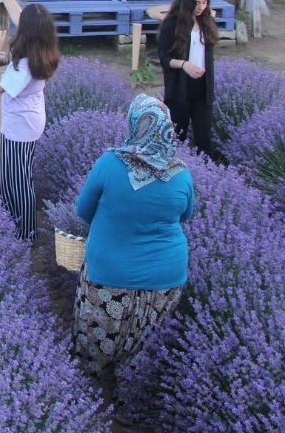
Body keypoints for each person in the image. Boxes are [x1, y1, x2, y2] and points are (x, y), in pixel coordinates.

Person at [71, 93, 195, 386]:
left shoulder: (110, 163)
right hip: (165, 279)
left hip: (110, 273)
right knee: (147, 346)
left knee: (96, 338)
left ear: (135, 124)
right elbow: (185, 216)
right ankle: (133, 390)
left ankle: (91, 387)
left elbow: (82, 211)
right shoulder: (181, 174)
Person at [0, 0, 59, 240]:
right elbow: (19, 14)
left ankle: (26, 235)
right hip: (29, 121)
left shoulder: (26, 64)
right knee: (9, 178)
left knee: (17, 183)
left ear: (27, 32)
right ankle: (13, 227)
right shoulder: (43, 47)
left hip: (20, 129)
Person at [158, 0, 217, 157]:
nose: (201, 7)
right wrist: (184, 65)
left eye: (205, 2)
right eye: (197, 2)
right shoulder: (172, 25)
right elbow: (164, 58)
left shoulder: (206, 23)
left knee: (204, 140)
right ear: (187, 1)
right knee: (177, 138)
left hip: (203, 88)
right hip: (180, 88)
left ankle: (205, 178)